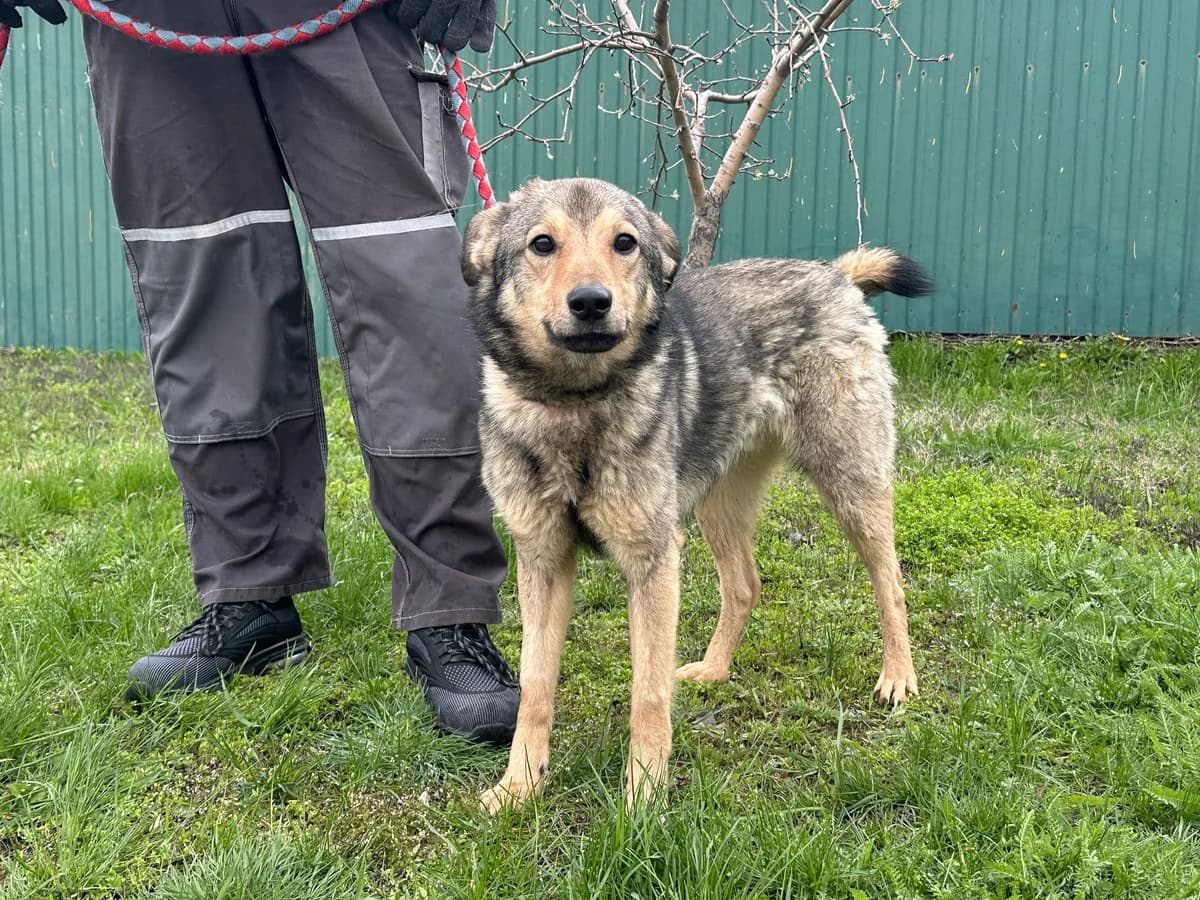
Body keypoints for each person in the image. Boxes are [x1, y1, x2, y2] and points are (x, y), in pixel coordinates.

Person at [1, 0, 519, 744]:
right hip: (144, 17)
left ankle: (451, 607)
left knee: (404, 274)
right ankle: (251, 593)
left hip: (340, 11)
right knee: (202, 274)